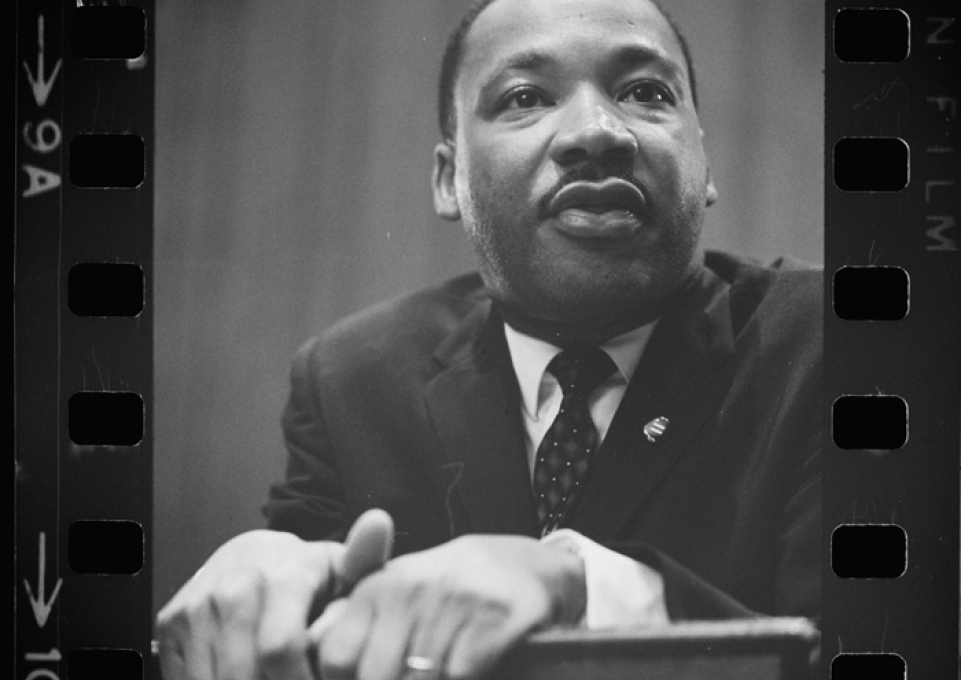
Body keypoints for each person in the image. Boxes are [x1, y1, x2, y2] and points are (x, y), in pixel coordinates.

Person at [156, 0, 821, 678]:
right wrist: (272, 584)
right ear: (450, 180)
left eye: (645, 93)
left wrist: (573, 585)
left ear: (703, 163)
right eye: (525, 97)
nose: (595, 131)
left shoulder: (830, 344)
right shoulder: (352, 378)